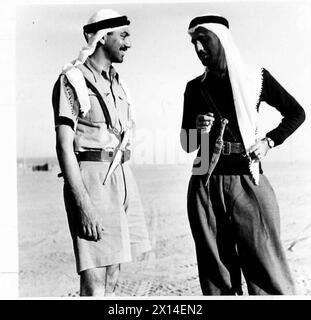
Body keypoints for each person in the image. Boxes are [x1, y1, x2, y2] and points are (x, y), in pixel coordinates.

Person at [180, 14, 305, 295]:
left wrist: (270, 141)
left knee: (267, 271)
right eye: (194, 43)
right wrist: (197, 128)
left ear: (221, 40)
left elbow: (297, 113)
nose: (199, 49)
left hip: (248, 180)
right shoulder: (194, 88)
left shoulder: (255, 78)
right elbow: (187, 144)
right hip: (204, 183)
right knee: (216, 277)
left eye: (204, 40)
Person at [51, 9, 151, 296]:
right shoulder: (73, 80)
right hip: (92, 181)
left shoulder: (118, 83)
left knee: (112, 279)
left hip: (122, 175)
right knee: (95, 283)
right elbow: (63, 145)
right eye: (123, 35)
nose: (129, 43)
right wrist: (83, 203)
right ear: (103, 36)